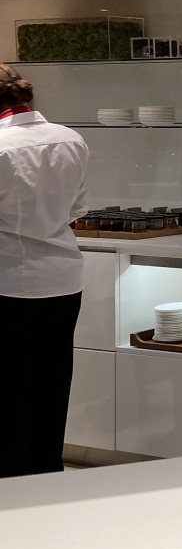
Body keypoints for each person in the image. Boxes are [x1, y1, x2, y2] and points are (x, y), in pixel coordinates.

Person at [0, 63, 89, 476]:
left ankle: (14, 485)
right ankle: (49, 477)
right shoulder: (70, 139)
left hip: (9, 281)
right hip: (64, 279)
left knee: (8, 394)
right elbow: (77, 209)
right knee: (52, 385)